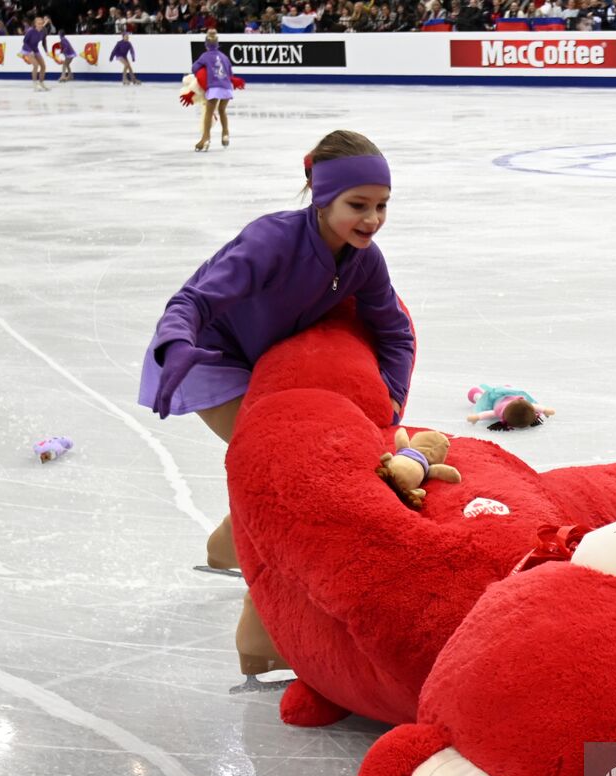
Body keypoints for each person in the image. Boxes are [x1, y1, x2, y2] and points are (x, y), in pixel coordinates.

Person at [136, 131, 415, 677]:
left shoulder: (364, 260)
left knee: (288, 473)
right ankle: (259, 638)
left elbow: (393, 331)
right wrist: (174, 344)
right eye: (357, 206)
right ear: (319, 195)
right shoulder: (271, 240)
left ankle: (225, 548)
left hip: (265, 361)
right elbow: (194, 300)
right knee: (290, 474)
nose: (373, 219)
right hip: (206, 357)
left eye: (382, 205)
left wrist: (392, 405)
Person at [191, 30, 237, 150]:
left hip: (214, 87)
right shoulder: (224, 57)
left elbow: (194, 68)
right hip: (226, 87)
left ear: (206, 45)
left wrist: (203, 73)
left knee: (209, 113)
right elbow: (231, 73)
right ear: (218, 44)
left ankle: (205, 139)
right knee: (222, 110)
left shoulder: (205, 56)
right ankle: (225, 134)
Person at [21, 16, 50, 91]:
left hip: (35, 49)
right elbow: (25, 41)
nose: (40, 25)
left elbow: (44, 42)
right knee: (36, 66)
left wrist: (46, 51)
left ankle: (41, 83)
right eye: (38, 23)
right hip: (27, 49)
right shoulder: (30, 31)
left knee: (43, 66)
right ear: (35, 24)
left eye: (41, 23)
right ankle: (35, 85)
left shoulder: (43, 30)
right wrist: (30, 51)